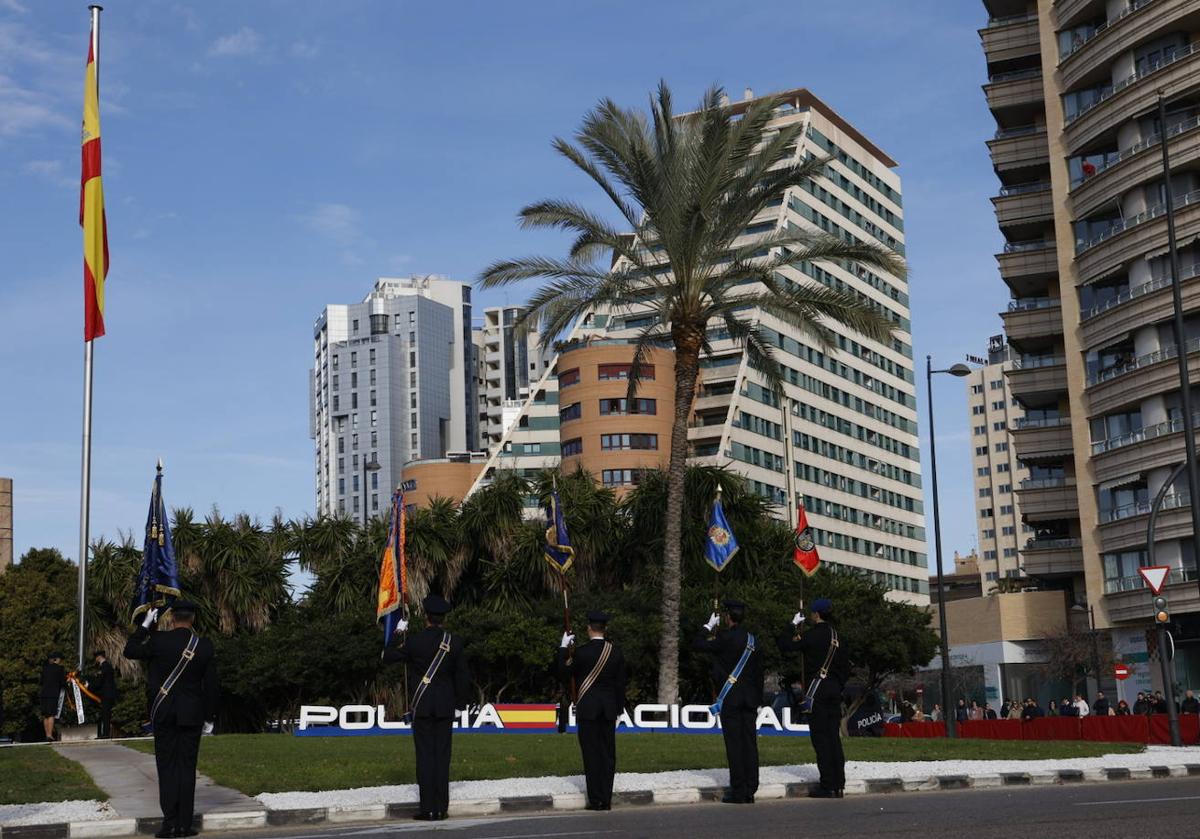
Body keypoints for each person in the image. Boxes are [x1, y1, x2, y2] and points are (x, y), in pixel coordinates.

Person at [123, 601, 218, 839]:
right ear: (192, 619)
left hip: (164, 712)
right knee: (187, 768)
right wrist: (209, 717)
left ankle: (170, 824)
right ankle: (185, 825)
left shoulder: (158, 641)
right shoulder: (204, 646)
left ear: (172, 619)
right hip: (192, 714)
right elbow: (213, 687)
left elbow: (130, 650)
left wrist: (145, 625)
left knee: (167, 768)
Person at [383, 594, 470, 822]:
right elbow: (463, 677)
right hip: (445, 707)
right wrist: (460, 705)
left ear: (426, 617)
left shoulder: (414, 642)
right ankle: (441, 808)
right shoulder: (455, 642)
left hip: (422, 707)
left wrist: (397, 633)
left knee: (424, 757)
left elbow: (388, 656)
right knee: (442, 757)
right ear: (443, 618)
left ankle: (427, 809)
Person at [778, 597, 849, 800]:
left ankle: (827, 784)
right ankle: (839, 783)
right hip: (834, 692)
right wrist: (837, 686)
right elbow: (845, 668)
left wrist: (792, 625)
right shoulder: (839, 638)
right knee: (834, 738)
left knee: (821, 739)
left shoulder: (812, 636)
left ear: (816, 614)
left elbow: (785, 646)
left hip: (816, 693)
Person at [694, 598, 763, 804]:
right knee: (750, 744)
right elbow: (759, 673)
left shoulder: (724, 638)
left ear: (727, 618)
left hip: (730, 698)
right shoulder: (754, 640)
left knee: (734, 744)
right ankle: (751, 787)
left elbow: (696, 644)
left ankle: (739, 789)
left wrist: (708, 626)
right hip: (750, 699)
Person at [557, 609, 626, 812]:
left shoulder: (582, 652)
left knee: (591, 754)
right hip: (608, 710)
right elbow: (620, 684)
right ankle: (606, 798)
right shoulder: (616, 652)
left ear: (589, 629)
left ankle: (595, 799)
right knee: (607, 754)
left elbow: (563, 672)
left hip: (588, 709)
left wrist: (563, 648)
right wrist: (619, 709)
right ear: (605, 629)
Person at [38, 653, 67, 742]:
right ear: (56, 659)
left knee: (45, 715)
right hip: (53, 694)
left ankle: (47, 734)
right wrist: (67, 682)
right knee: (51, 714)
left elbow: (41, 681)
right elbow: (62, 682)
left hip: (44, 694)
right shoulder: (59, 669)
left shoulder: (44, 669)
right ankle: (50, 735)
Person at [92, 650, 118, 739]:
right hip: (106, 694)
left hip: (107, 694)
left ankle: (105, 734)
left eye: (96, 657)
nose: (95, 659)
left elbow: (100, 681)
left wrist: (89, 686)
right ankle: (104, 733)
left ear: (99, 657)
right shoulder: (106, 666)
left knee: (106, 714)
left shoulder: (105, 667)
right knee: (104, 714)